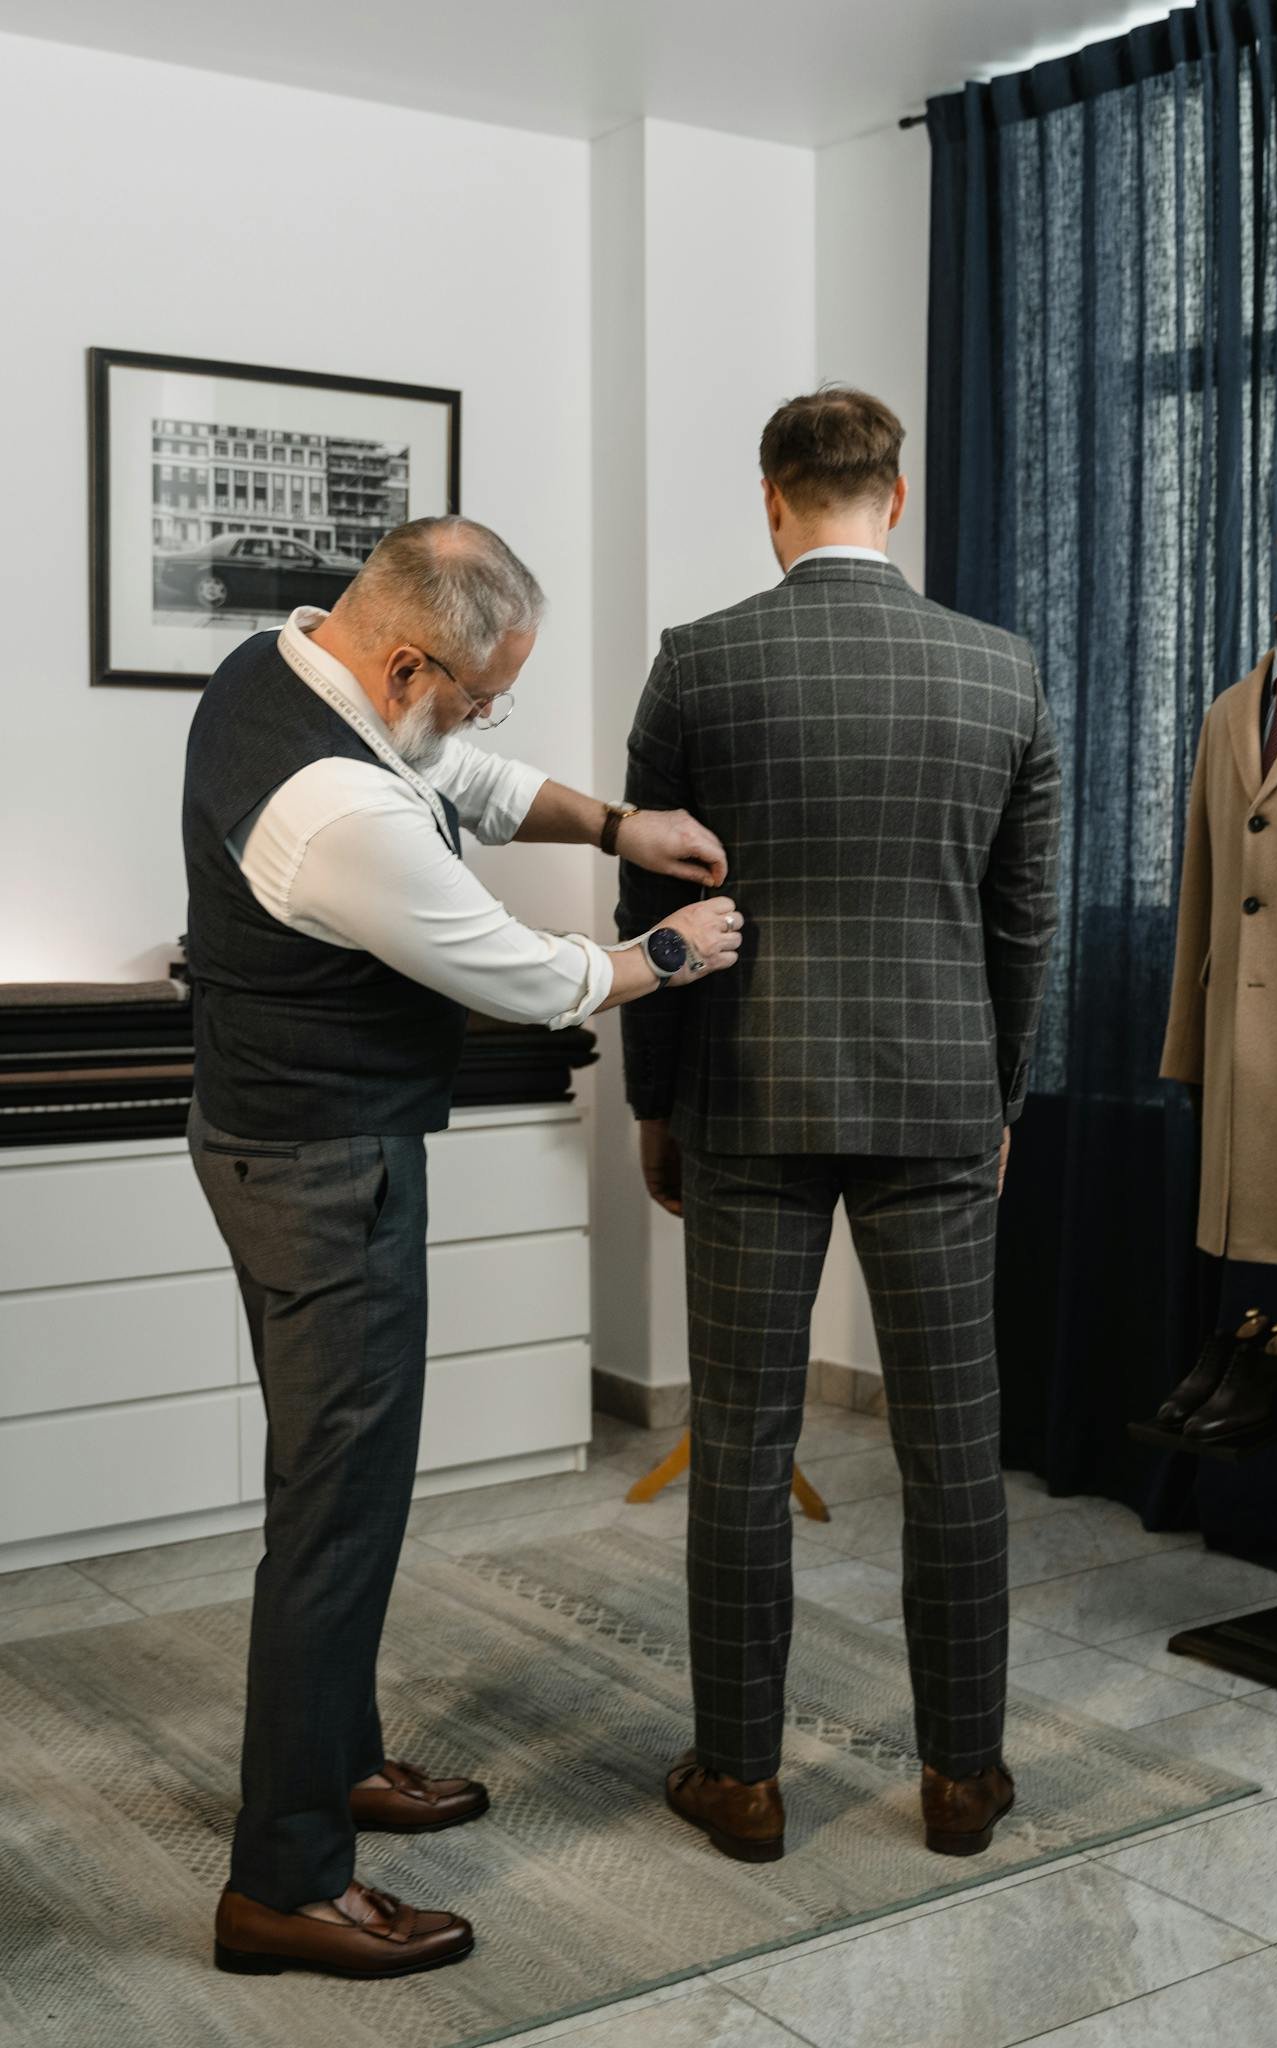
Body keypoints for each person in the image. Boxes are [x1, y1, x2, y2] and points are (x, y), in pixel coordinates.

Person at [183, 515, 743, 1980]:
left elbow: (468, 777)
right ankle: (286, 1884)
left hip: (280, 1144)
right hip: (321, 1171)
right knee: (336, 1514)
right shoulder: (333, 806)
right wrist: (664, 953)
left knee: (333, 1494)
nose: (489, 720)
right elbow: (522, 973)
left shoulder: (291, 667)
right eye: (483, 689)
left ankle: (337, 1753)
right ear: (412, 655)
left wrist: (620, 827)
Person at [616, 388, 1061, 1865]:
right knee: (953, 1448)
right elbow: (1025, 925)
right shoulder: (1002, 672)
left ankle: (739, 1779)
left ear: (770, 498)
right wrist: (996, 1100)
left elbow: (655, 906)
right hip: (937, 1097)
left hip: (746, 1090)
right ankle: (960, 1779)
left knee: (738, 1446)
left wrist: (653, 1102)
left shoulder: (700, 663)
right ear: (898, 494)